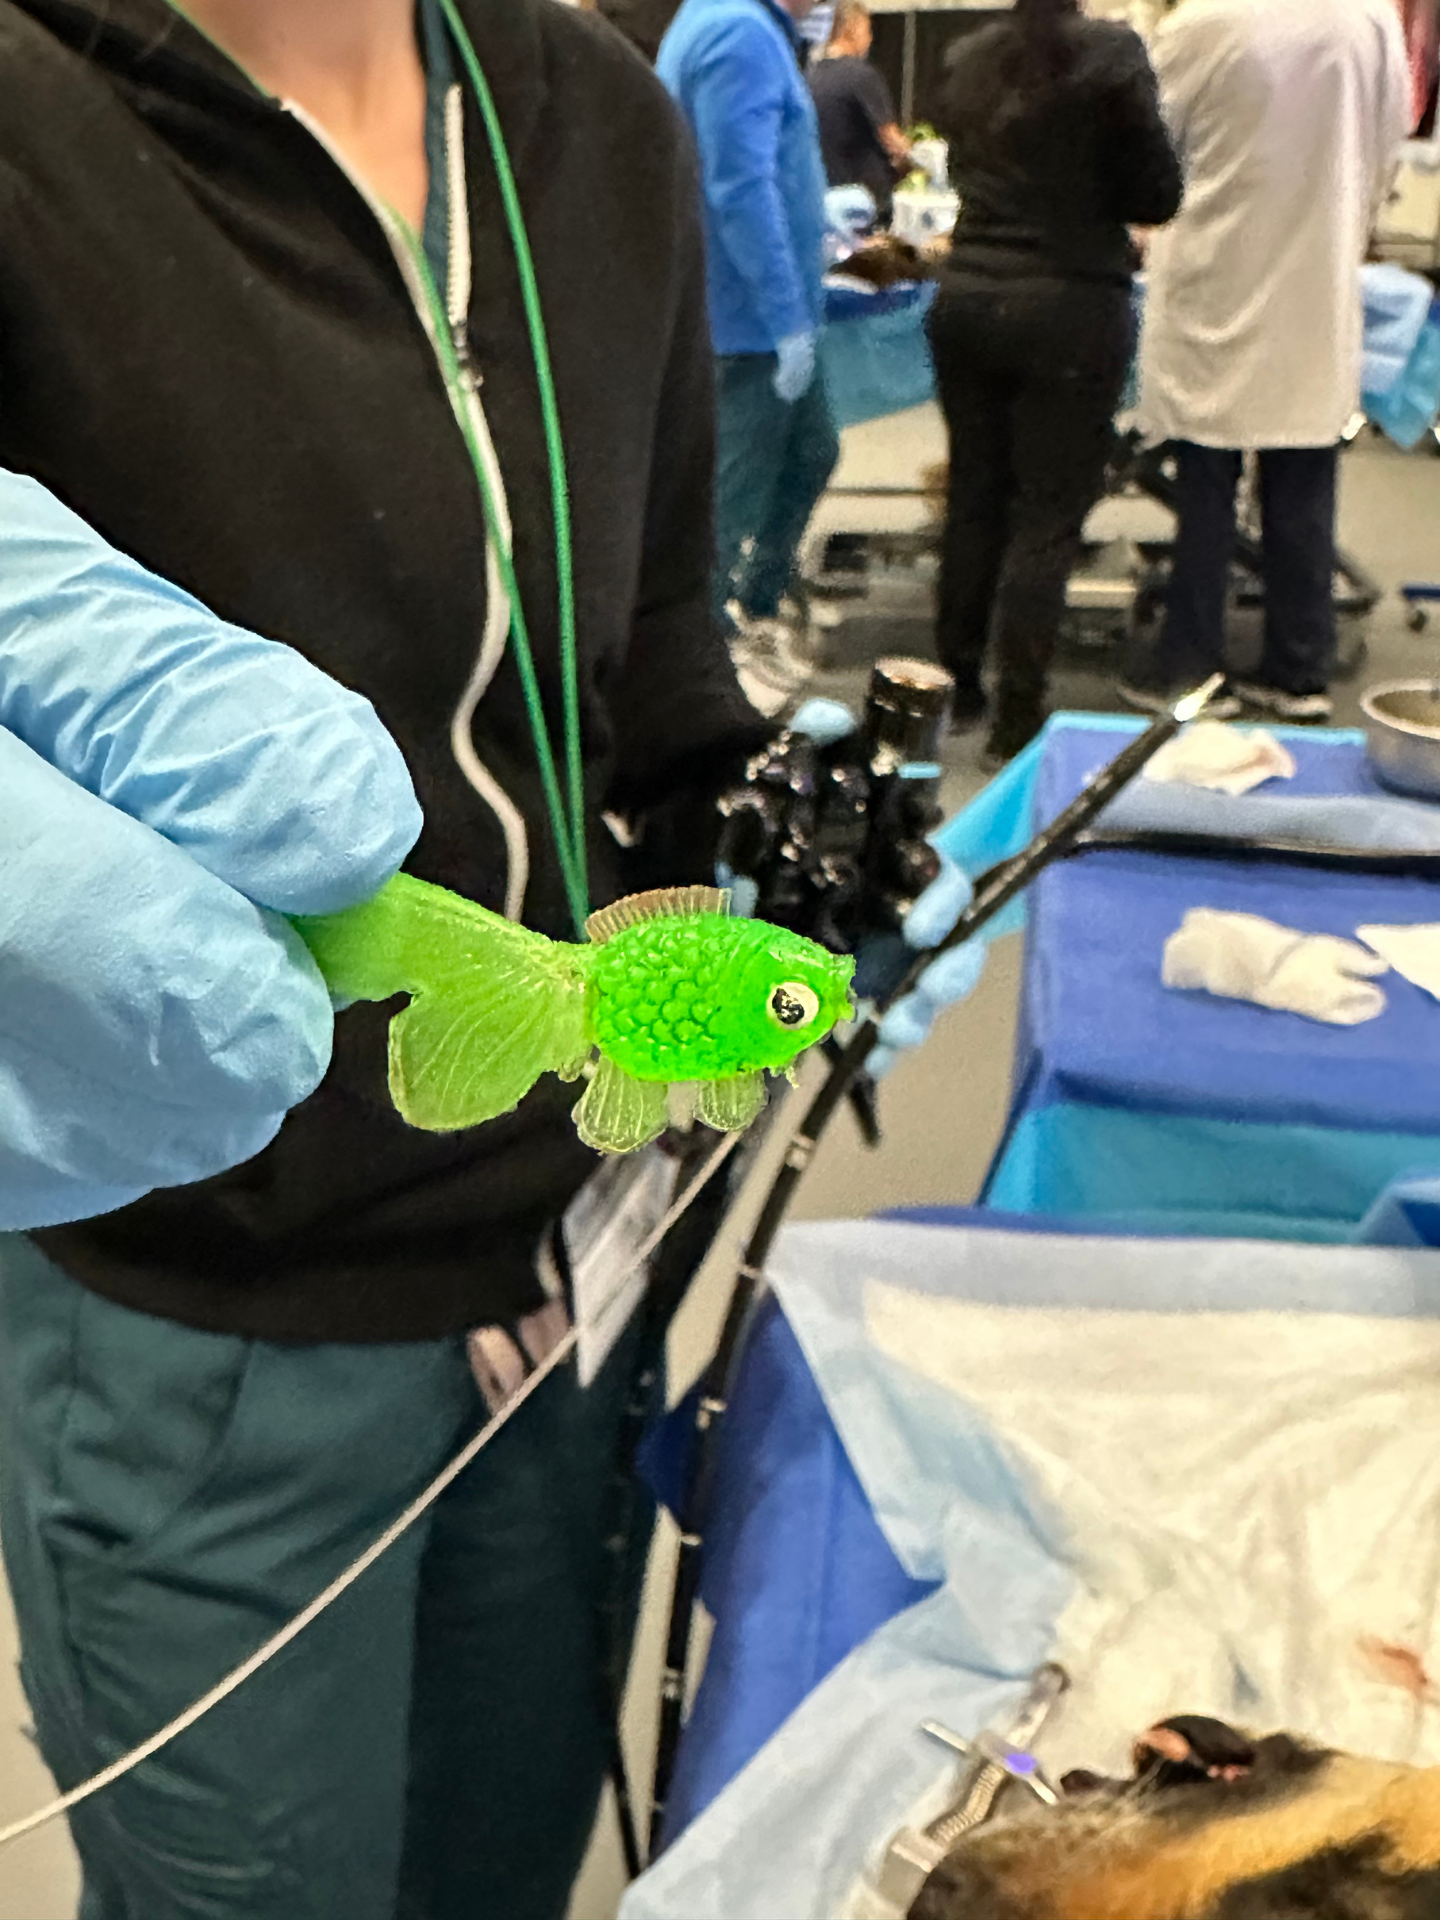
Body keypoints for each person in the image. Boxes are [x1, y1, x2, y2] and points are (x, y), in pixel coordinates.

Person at [0, 2, 777, 1915]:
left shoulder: (591, 113)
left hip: (560, 1292)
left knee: (505, 1875)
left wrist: (708, 945)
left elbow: (659, 651)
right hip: (210, 1315)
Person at [1123, 0, 1411, 723]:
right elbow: (1387, 148)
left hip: (1215, 280)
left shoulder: (1200, 25)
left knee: (1206, 492)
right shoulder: (1367, 19)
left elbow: (1153, 154)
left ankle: (1191, 671)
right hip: (1316, 282)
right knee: (1304, 489)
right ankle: (1299, 669)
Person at [928, 0, 1182, 767]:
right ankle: (1017, 721)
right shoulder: (1112, 58)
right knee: (1047, 517)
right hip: (1072, 305)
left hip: (967, 297)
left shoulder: (967, 54)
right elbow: (1157, 195)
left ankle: (956, 686)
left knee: (975, 496)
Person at [659, 0, 839, 707]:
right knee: (730, 498)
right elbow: (739, 186)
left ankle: (757, 611)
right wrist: (783, 312)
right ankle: (708, 660)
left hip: (751, 310)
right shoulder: (740, 34)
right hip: (749, 322)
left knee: (811, 453)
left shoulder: (731, 22)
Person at [809, 2, 912, 227]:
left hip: (824, 200)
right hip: (866, 206)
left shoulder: (811, 76)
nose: (870, 39)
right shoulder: (862, 76)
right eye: (868, 30)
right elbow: (892, 140)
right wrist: (915, 161)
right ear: (852, 28)